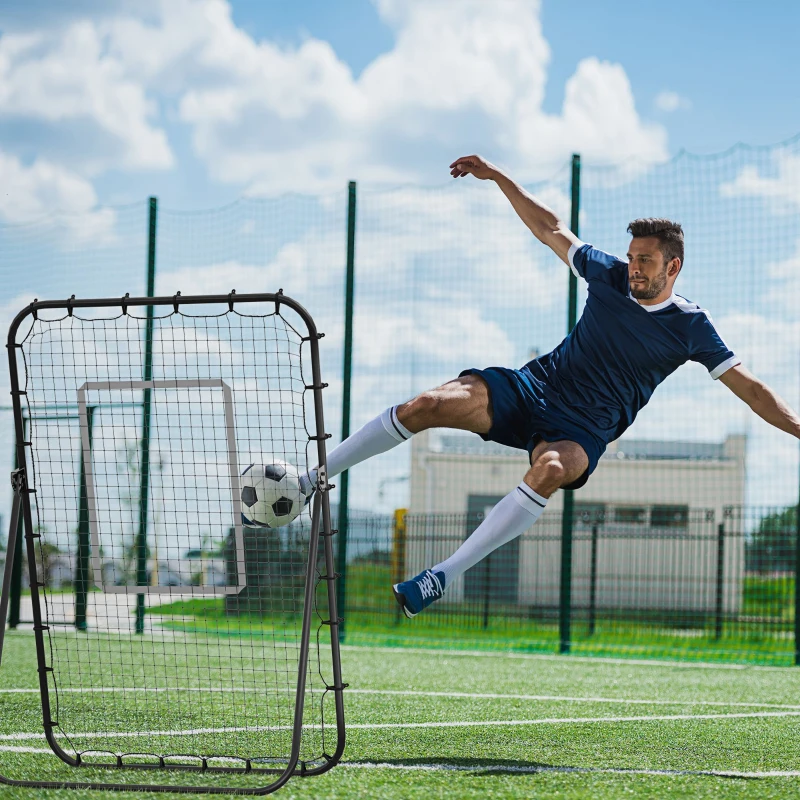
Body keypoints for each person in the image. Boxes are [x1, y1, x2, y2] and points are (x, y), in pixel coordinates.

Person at [302, 154, 800, 619]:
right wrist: (497, 176)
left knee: (554, 467)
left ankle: (441, 577)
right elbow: (551, 228)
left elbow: (753, 389)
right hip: (534, 386)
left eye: (645, 260)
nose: (634, 267)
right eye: (631, 256)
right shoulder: (608, 275)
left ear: (673, 267)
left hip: (584, 427)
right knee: (427, 403)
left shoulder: (690, 325)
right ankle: (311, 481)